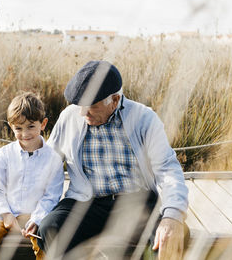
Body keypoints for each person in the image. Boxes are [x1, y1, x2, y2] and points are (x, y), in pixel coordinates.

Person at [37, 60, 189, 259]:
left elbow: (168, 170)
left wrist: (172, 216)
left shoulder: (145, 118)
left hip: (137, 203)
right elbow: (48, 165)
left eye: (91, 106)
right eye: (79, 105)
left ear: (115, 100)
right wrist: (31, 210)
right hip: (86, 203)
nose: (83, 113)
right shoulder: (70, 116)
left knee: (171, 237)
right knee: (51, 227)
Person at [0, 92, 65, 260]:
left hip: (38, 216)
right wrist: (6, 215)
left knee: (46, 242)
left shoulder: (53, 159)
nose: (25, 134)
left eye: (31, 126)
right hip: (9, 213)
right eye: (18, 128)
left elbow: (52, 196)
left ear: (43, 124)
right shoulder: (4, 155)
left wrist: (36, 220)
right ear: (11, 126)